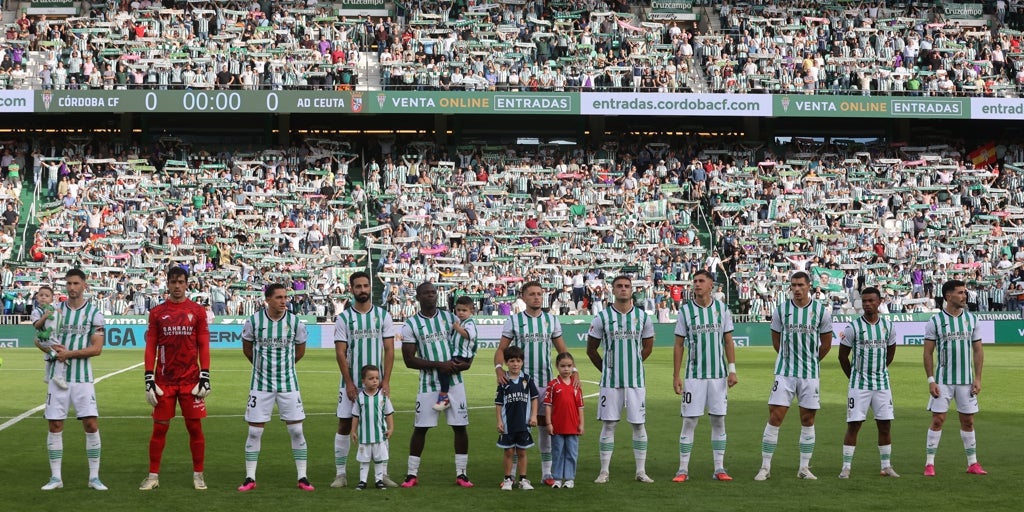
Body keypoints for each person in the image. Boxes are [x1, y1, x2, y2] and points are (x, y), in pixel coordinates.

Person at [755, 271, 833, 481]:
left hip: (809, 374)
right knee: (775, 416)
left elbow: (826, 342)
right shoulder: (782, 310)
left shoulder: (820, 311)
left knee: (808, 419)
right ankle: (765, 467)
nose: (797, 289)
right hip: (785, 372)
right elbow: (776, 340)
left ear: (809, 286)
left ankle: (804, 468)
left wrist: (812, 360)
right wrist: (787, 359)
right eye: (793, 285)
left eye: (800, 285)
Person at [139, 266, 212, 491]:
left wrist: (205, 374)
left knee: (195, 428)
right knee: (159, 429)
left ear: (187, 283)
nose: (177, 286)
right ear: (167, 284)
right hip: (164, 382)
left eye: (181, 281)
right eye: (173, 282)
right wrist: (149, 378)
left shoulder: (197, 311)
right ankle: (153, 476)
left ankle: (198, 475)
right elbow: (151, 345)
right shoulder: (158, 313)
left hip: (191, 381)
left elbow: (203, 344)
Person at [238, 283, 314, 492]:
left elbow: (300, 351)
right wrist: (263, 368)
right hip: (260, 384)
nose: (284, 301)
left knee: (297, 430)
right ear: (268, 300)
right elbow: (247, 348)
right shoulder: (254, 321)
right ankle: (250, 478)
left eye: (285, 297)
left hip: (288, 383)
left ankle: (303, 477)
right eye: (279, 297)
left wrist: (284, 368)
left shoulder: (295, 322)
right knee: (254, 432)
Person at [494, 280, 570, 486]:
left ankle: (547, 473)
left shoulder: (551, 320)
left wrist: (574, 371)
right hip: (520, 384)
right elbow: (501, 349)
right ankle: (513, 477)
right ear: (524, 297)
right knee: (519, 426)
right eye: (532, 294)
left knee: (545, 426)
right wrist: (498, 368)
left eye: (539, 293)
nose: (537, 297)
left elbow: (562, 350)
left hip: (544, 382)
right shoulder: (514, 321)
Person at [399, 282, 473, 488]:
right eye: (427, 293)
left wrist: (465, 364)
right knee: (420, 428)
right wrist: (439, 365)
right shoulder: (411, 324)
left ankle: (462, 474)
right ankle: (411, 474)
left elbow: (467, 344)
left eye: (434, 292)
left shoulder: (451, 318)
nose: (431, 296)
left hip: (455, 382)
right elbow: (409, 360)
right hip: (428, 385)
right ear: (419, 296)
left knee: (460, 427)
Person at [41, 268, 107, 491]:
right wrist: (51, 351)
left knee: (90, 423)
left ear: (84, 286)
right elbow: (39, 340)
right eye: (68, 283)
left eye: (76, 283)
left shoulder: (94, 313)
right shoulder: (55, 310)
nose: (71, 288)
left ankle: (94, 477)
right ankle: (55, 478)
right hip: (56, 376)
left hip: (82, 378)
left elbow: (97, 349)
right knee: (55, 424)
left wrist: (68, 354)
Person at [586, 274, 655, 484]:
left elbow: (648, 347)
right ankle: (604, 471)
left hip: (635, 382)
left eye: (627, 286)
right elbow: (591, 349)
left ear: (632, 289)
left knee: (638, 425)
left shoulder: (643, 317)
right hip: (610, 382)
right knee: (609, 425)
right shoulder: (602, 317)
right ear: (612, 290)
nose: (623, 289)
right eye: (619, 286)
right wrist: (607, 369)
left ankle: (641, 471)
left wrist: (634, 363)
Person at [672, 270, 738, 482]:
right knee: (690, 421)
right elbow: (679, 344)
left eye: (701, 281)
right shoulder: (685, 311)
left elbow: (728, 341)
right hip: (694, 376)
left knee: (719, 420)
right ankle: (682, 470)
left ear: (711, 285)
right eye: (695, 281)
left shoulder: (722, 309)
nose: (697, 284)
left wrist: (732, 369)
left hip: (718, 376)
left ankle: (719, 468)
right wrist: (676, 375)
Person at [332, 271, 396, 488]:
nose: (362, 290)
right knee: (344, 424)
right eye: (358, 286)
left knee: (381, 425)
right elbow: (341, 352)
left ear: (370, 288)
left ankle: (383, 473)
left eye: (365, 286)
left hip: (377, 383)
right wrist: (349, 382)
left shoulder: (383, 315)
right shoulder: (344, 318)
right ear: (351, 289)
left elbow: (389, 349)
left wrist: (385, 381)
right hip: (350, 384)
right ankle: (341, 474)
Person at [923, 279, 987, 477]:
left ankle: (973, 463)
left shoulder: (972, 320)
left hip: (966, 380)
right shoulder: (935, 321)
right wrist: (931, 380)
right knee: (938, 420)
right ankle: (929, 464)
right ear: (948, 296)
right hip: (943, 380)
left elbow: (978, 351)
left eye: (964, 292)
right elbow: (927, 353)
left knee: (968, 421)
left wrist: (978, 378)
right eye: (960, 293)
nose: (964, 296)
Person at [838, 286, 899, 479]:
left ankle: (886, 466)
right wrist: (854, 377)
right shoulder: (853, 327)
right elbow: (842, 356)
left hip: (882, 383)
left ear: (880, 302)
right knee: (854, 424)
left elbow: (890, 353)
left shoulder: (888, 326)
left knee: (885, 424)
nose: (867, 304)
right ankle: (846, 467)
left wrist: (879, 369)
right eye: (864, 301)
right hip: (859, 384)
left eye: (871, 301)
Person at [495, 345, 539, 491]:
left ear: (522, 362)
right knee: (508, 452)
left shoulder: (527, 379)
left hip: (523, 423)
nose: (515, 364)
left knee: (522, 452)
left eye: (518, 361)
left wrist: (533, 416)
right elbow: (499, 403)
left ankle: (523, 479)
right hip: (508, 424)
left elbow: (534, 398)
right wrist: (499, 421)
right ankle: (507, 479)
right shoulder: (503, 380)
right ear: (506, 362)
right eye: (512, 361)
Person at [350, 364, 395, 491]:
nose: (375, 381)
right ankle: (362, 481)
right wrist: (353, 431)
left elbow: (389, 414)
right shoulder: (360, 397)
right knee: (364, 460)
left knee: (379, 459)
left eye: (377, 378)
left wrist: (391, 428)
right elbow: (355, 416)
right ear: (363, 381)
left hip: (379, 435)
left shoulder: (383, 397)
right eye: (371, 378)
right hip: (364, 436)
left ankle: (379, 480)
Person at [544, 352, 584, 489]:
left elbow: (580, 407)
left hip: (573, 426)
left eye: (569, 366)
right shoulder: (553, 385)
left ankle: (569, 478)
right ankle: (557, 478)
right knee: (557, 452)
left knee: (572, 453)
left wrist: (581, 424)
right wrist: (549, 423)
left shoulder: (576, 385)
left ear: (573, 367)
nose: (566, 369)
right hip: (557, 426)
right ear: (557, 366)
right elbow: (548, 405)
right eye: (563, 366)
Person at [434, 295, 478, 411]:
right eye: (458, 310)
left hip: (463, 357)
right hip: (457, 355)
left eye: (464, 310)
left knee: (443, 369)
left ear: (471, 311)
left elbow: (468, 335)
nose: (461, 313)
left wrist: (456, 327)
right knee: (444, 369)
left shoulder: (469, 323)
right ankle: (445, 395)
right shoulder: (460, 322)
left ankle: (444, 397)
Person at [31, 285, 68, 390]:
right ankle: (58, 376)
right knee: (60, 352)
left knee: (49, 357)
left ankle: (47, 376)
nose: (43, 297)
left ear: (52, 299)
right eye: (41, 295)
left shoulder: (54, 308)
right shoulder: (36, 311)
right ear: (37, 297)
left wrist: (59, 314)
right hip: (44, 338)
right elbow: (36, 325)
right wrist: (44, 316)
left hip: (51, 336)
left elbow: (58, 318)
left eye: (46, 296)